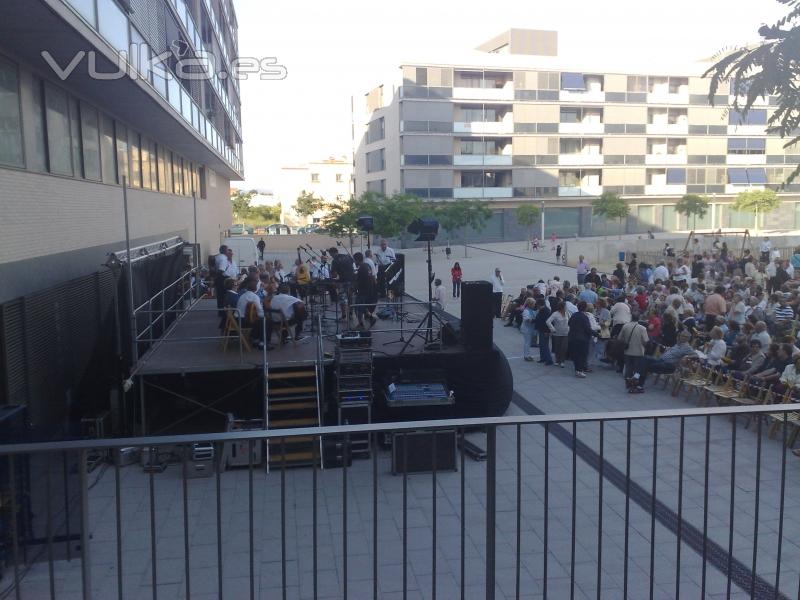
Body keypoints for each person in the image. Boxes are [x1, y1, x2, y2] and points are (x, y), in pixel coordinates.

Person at [236, 278, 270, 349]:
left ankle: (255, 339)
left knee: (259, 320)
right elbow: (260, 313)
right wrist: (267, 315)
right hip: (243, 321)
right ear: (256, 288)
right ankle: (263, 343)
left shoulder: (243, 295)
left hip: (237, 319)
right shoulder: (254, 297)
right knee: (265, 321)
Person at [619, 318, 650, 391]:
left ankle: (627, 383)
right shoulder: (643, 328)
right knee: (637, 370)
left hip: (627, 351)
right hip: (639, 352)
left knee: (628, 368)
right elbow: (646, 341)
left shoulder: (625, 326)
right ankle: (634, 384)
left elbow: (620, 338)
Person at [567, 301, 594, 378]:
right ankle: (579, 370)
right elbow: (587, 329)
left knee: (576, 355)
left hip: (573, 337)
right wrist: (596, 333)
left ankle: (577, 370)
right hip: (582, 339)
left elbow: (569, 323)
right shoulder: (584, 317)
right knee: (582, 355)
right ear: (585, 308)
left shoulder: (574, 315)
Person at [328, 247, 355, 321]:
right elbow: (353, 263)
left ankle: (343, 316)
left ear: (333, 253)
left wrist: (331, 273)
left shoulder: (335, 261)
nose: (331, 256)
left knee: (342, 299)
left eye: (331, 254)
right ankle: (350, 314)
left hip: (343, 281)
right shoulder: (347, 256)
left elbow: (334, 275)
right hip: (352, 280)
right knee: (350, 298)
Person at [546, 301, 570, 368]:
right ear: (562, 307)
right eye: (565, 306)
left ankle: (562, 361)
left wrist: (569, 328)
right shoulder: (555, 314)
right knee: (557, 347)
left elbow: (570, 321)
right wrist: (552, 329)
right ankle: (557, 360)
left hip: (566, 333)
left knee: (564, 348)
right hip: (557, 333)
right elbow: (548, 321)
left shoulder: (567, 313)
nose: (566, 307)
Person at [533, 298, 553, 365]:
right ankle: (543, 358)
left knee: (544, 345)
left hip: (544, 330)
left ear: (539, 304)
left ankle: (549, 360)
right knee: (542, 345)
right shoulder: (544, 310)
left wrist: (547, 331)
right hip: (542, 330)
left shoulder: (544, 311)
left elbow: (546, 322)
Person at [213, 244, 230, 314]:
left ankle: (220, 311)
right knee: (223, 296)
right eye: (227, 250)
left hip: (219, 278)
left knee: (220, 296)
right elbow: (221, 270)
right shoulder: (223, 259)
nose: (228, 251)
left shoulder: (217, 257)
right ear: (224, 251)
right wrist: (217, 277)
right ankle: (223, 312)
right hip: (222, 279)